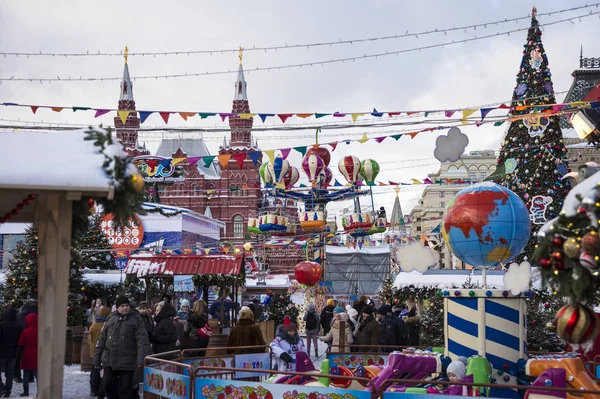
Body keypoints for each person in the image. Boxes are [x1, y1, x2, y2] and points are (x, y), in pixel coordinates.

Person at [93, 296, 151, 399]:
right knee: (107, 386)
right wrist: (97, 358)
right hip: (110, 360)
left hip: (128, 362)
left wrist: (141, 361)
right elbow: (102, 339)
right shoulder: (111, 318)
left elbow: (142, 342)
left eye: (127, 305)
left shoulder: (136, 319)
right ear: (118, 307)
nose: (125, 308)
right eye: (122, 306)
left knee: (126, 390)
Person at [88, 306, 111, 398]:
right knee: (101, 372)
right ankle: (99, 390)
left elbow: (90, 340)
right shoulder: (105, 325)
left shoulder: (94, 325)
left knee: (94, 371)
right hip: (101, 351)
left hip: (94, 351)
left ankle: (93, 390)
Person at [0, 308, 23, 397]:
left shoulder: (1, 325)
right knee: (9, 374)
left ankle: (2, 389)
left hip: (1, 353)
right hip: (13, 353)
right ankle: (8, 391)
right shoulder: (19, 327)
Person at [14, 300, 36, 384]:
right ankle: (30, 377)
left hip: (20, 338)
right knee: (30, 358)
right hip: (32, 342)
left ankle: (17, 376)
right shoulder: (36, 315)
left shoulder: (19, 315)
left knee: (18, 359)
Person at [17, 313, 37, 397]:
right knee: (38, 374)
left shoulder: (25, 331)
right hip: (38, 353)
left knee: (26, 373)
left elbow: (20, 342)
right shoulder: (40, 331)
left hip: (28, 352)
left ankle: (26, 391)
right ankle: (40, 391)